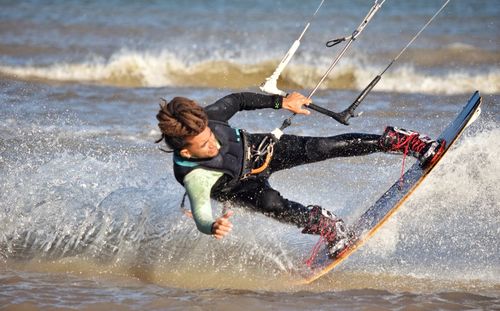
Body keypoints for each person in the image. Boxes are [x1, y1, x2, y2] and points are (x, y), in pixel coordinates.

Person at [155, 92, 444, 257]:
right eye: (205, 145)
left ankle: (399, 141)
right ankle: (326, 225)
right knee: (272, 205)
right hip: (241, 189)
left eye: (210, 135)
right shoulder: (194, 177)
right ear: (186, 153)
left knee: (322, 146)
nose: (214, 143)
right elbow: (202, 212)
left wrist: (281, 101)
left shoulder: (209, 117)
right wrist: (211, 226)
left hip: (260, 149)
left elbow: (238, 100)